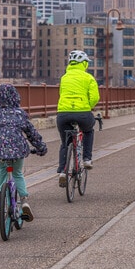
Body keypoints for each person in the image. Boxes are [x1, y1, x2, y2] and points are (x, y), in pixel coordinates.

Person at [0, 84, 47, 221]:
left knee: (0, 167)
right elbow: (32, 134)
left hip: (1, 149)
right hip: (18, 149)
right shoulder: (21, 114)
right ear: (16, 97)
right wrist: (41, 147)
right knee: (17, 173)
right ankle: (24, 201)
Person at [56, 50, 100, 187]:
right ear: (84, 63)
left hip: (63, 113)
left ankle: (63, 172)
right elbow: (94, 97)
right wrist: (88, 106)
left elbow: (61, 94)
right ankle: (86, 159)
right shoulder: (88, 78)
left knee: (65, 142)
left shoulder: (64, 78)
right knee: (88, 130)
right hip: (82, 112)